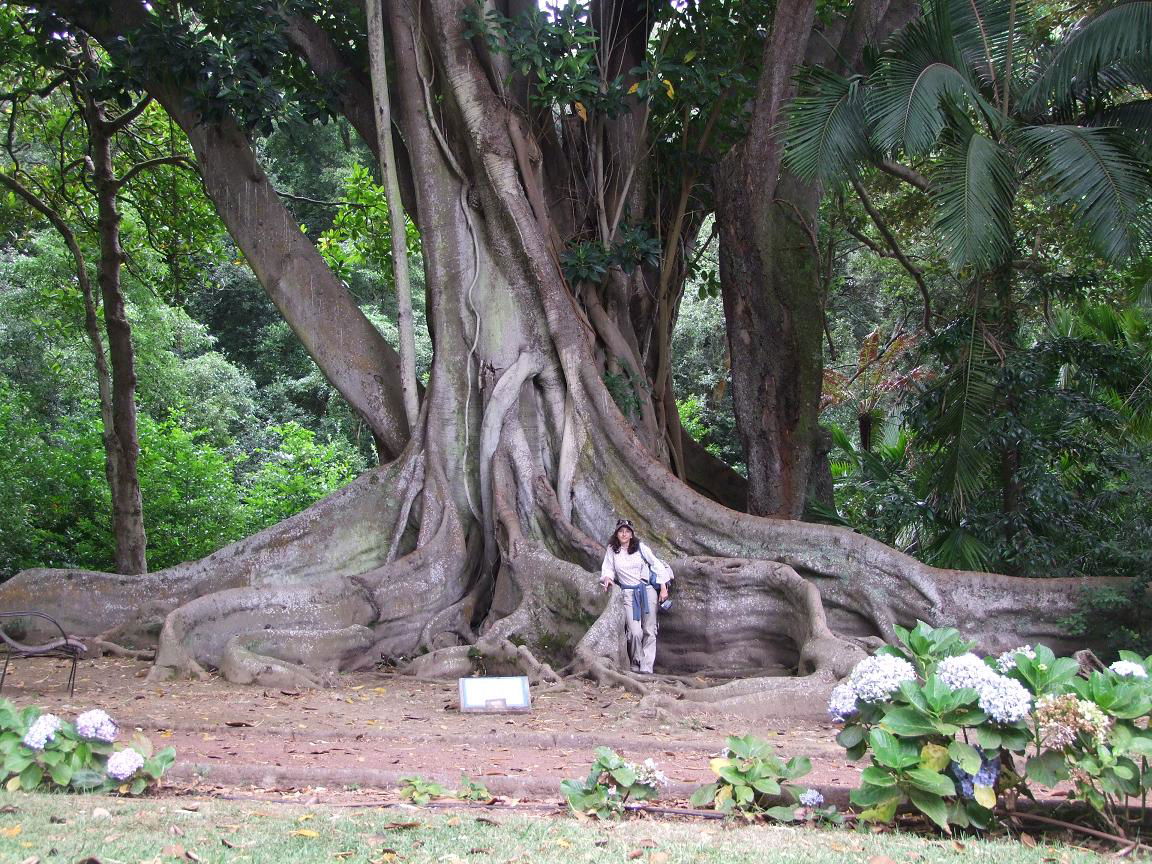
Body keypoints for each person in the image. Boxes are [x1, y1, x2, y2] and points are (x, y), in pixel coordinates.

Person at [599, 518, 674, 675]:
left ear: (632, 534)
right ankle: (636, 660)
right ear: (616, 533)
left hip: (647, 590)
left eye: (627, 531)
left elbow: (657, 565)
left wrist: (663, 588)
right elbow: (608, 569)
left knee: (649, 629)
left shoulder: (640, 548)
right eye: (621, 531)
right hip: (627, 592)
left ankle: (647, 666)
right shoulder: (612, 550)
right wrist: (607, 578)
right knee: (634, 631)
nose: (624, 534)